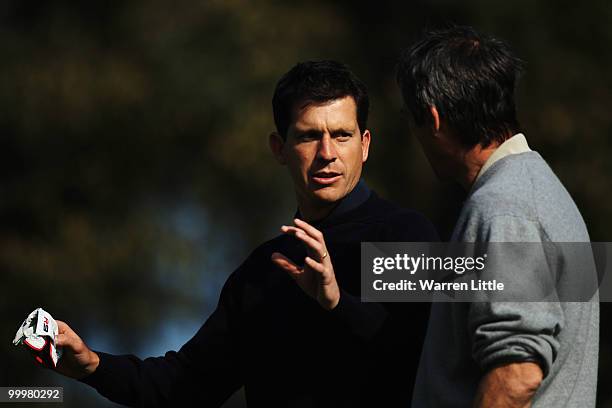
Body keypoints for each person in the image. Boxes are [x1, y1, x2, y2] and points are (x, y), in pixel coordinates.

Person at [54, 60, 438, 407]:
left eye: (341, 135)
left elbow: (430, 361)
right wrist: (92, 365)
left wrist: (338, 304)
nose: (327, 153)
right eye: (308, 136)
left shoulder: (402, 236)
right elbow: (182, 386)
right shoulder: (261, 273)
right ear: (279, 148)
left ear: (364, 145)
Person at [396, 25, 599, 407]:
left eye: (412, 119)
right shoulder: (538, 189)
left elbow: (517, 374)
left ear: (433, 119)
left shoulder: (504, 209)